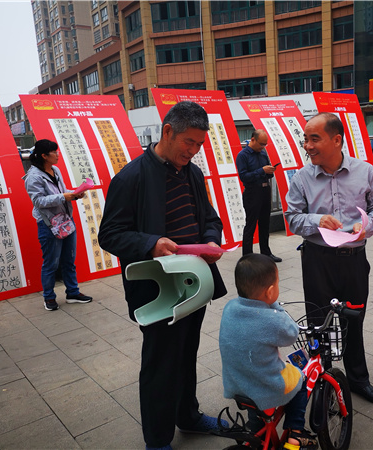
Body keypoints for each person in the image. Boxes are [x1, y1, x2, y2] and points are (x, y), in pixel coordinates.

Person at [98, 101, 228, 450]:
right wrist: (151, 243)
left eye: (199, 144)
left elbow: (209, 218)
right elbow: (109, 234)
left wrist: (211, 240)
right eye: (189, 142)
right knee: (160, 363)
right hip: (158, 290)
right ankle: (157, 440)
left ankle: (188, 416)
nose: (194, 150)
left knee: (186, 354)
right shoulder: (132, 178)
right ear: (167, 131)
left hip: (194, 283)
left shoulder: (192, 174)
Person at [285, 113, 373, 406]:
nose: (308, 146)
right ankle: (324, 383)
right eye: (305, 140)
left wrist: (366, 227)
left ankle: (358, 380)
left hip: (354, 259)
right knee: (318, 323)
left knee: (354, 319)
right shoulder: (302, 178)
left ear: (336, 140)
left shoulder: (365, 171)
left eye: (314, 139)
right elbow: (291, 218)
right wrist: (317, 220)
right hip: (317, 260)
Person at [219, 254, 317, 450]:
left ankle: (257, 432)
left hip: (237, 382)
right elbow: (292, 334)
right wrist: (274, 305)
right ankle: (296, 432)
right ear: (270, 291)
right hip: (265, 383)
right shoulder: (273, 320)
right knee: (300, 379)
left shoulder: (230, 307)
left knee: (255, 400)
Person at [24, 139, 93, 311]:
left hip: (66, 220)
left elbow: (61, 192)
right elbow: (38, 201)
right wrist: (63, 197)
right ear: (44, 156)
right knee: (51, 263)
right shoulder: (33, 177)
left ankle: (73, 293)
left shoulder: (55, 170)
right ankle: (49, 297)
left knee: (69, 260)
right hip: (49, 224)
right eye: (54, 152)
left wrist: (74, 194)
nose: (57, 155)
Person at [236, 129, 282, 262]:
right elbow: (243, 176)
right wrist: (262, 170)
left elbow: (266, 173)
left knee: (265, 224)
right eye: (261, 144)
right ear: (253, 140)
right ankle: (247, 256)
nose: (263, 147)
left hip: (265, 190)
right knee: (250, 225)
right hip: (252, 192)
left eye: (265, 144)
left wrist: (270, 171)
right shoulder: (243, 155)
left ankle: (266, 252)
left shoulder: (263, 154)